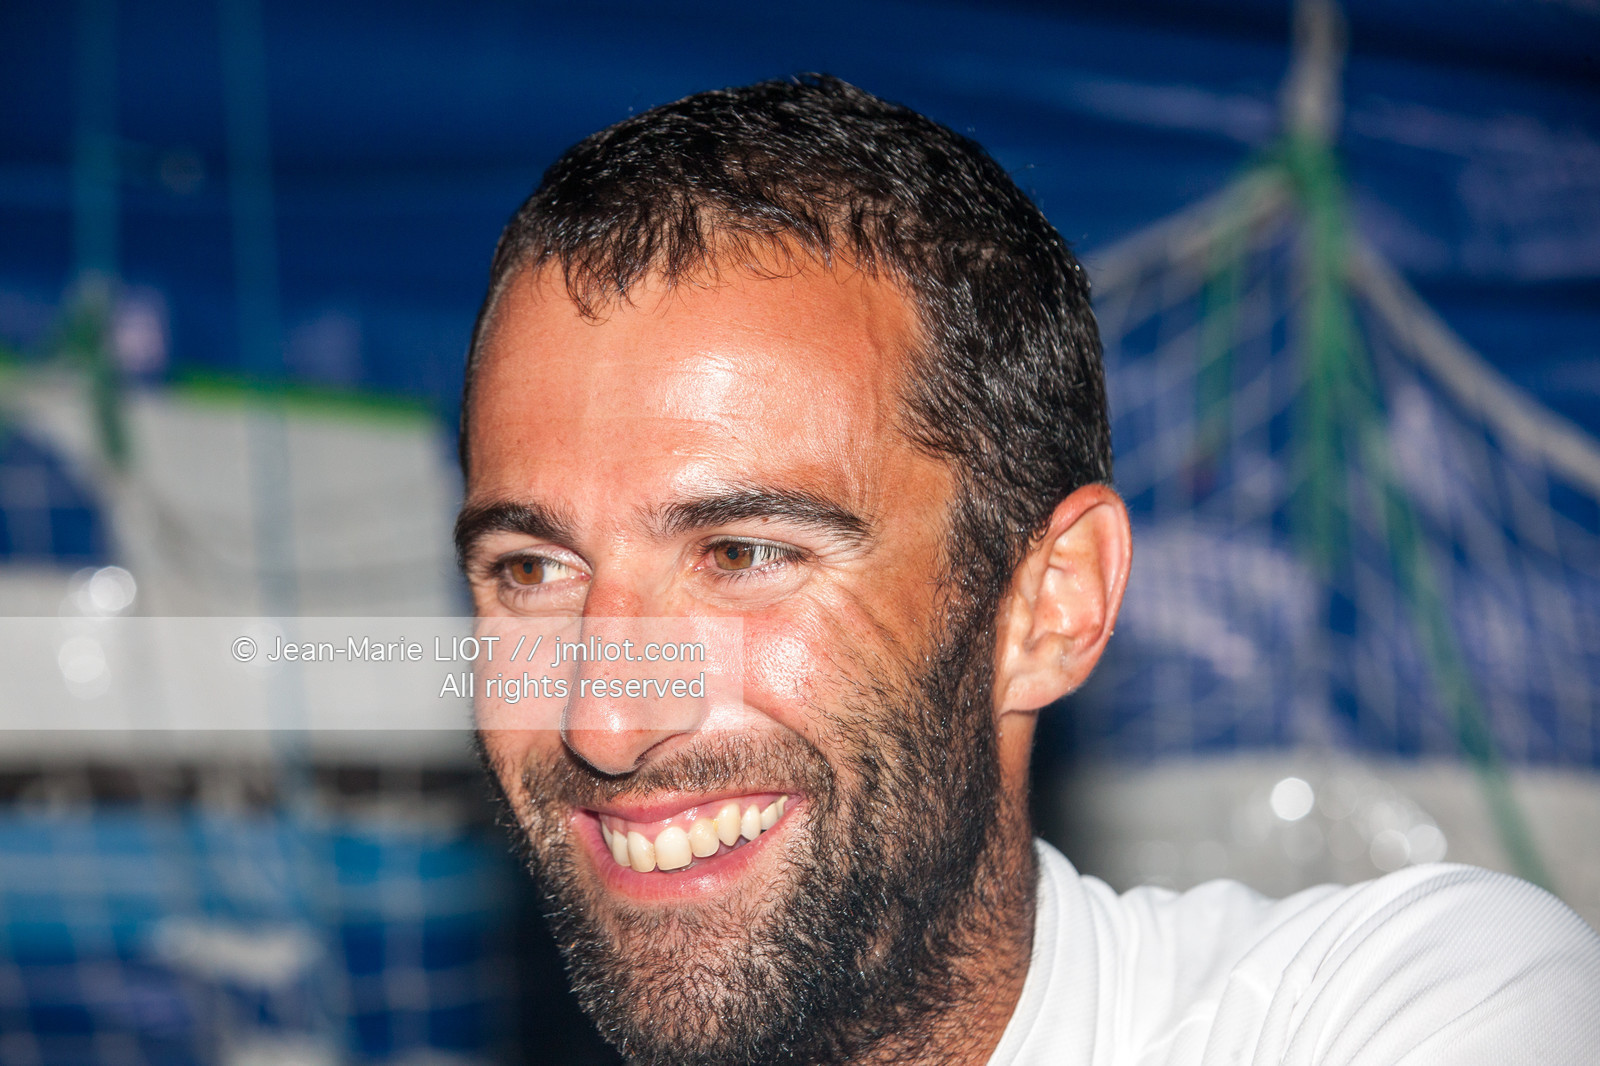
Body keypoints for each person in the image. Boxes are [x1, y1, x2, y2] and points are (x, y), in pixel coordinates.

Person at [453, 75, 1600, 1066]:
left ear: (1050, 602)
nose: (600, 718)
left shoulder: (1398, 1003)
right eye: (532, 569)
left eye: (745, 554)